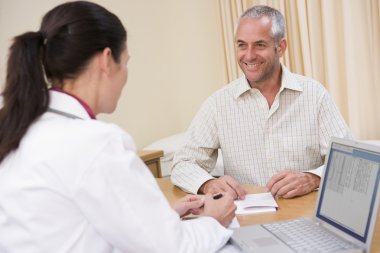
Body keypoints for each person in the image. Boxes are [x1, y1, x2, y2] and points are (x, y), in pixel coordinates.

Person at [0, 2, 237, 253]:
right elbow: (173, 248)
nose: (125, 75)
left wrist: (161, 217)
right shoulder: (95, 142)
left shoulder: (19, 124)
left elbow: (67, 222)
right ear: (105, 60)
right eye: (125, 62)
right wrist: (214, 220)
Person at [171, 5, 352, 200]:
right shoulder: (218, 104)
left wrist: (313, 178)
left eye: (259, 45)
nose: (248, 55)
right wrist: (208, 184)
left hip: (304, 216)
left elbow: (350, 161)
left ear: (280, 47)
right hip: (246, 220)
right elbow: (183, 164)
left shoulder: (315, 95)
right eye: (242, 45)